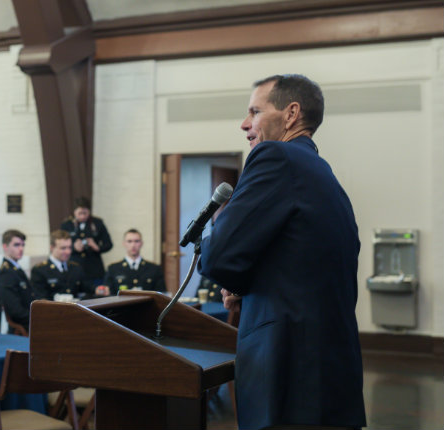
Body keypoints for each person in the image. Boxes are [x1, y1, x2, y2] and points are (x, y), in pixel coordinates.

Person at [199, 74, 365, 429]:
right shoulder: (322, 172)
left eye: (254, 111)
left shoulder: (275, 156)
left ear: (291, 113)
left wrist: (227, 258)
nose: (244, 124)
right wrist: (244, 284)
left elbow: (218, 255)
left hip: (288, 376)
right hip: (329, 374)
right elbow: (299, 265)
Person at [60, 197, 112, 286]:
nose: (82, 216)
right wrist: (73, 247)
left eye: (85, 213)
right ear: (74, 212)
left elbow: (109, 244)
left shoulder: (97, 223)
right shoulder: (67, 225)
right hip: (74, 266)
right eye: (79, 213)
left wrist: (97, 247)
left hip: (94, 268)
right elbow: (60, 245)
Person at [31, 230, 90, 300]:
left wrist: (98, 289)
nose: (68, 252)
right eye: (63, 248)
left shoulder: (75, 267)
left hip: (77, 309)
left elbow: (87, 288)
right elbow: (41, 299)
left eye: (70, 247)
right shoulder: (40, 270)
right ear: (52, 248)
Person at [104, 229, 165, 295]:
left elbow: (161, 294)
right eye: (129, 241)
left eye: (136, 241)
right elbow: (109, 295)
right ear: (124, 244)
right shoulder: (113, 269)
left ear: (141, 243)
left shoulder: (154, 269)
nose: (133, 245)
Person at [0, 229, 35, 331]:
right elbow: (15, 311)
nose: (21, 248)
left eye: (23, 245)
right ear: (5, 246)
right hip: (23, 327)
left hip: (30, 321)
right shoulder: (5, 273)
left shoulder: (16, 269)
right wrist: (38, 318)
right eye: (16, 245)